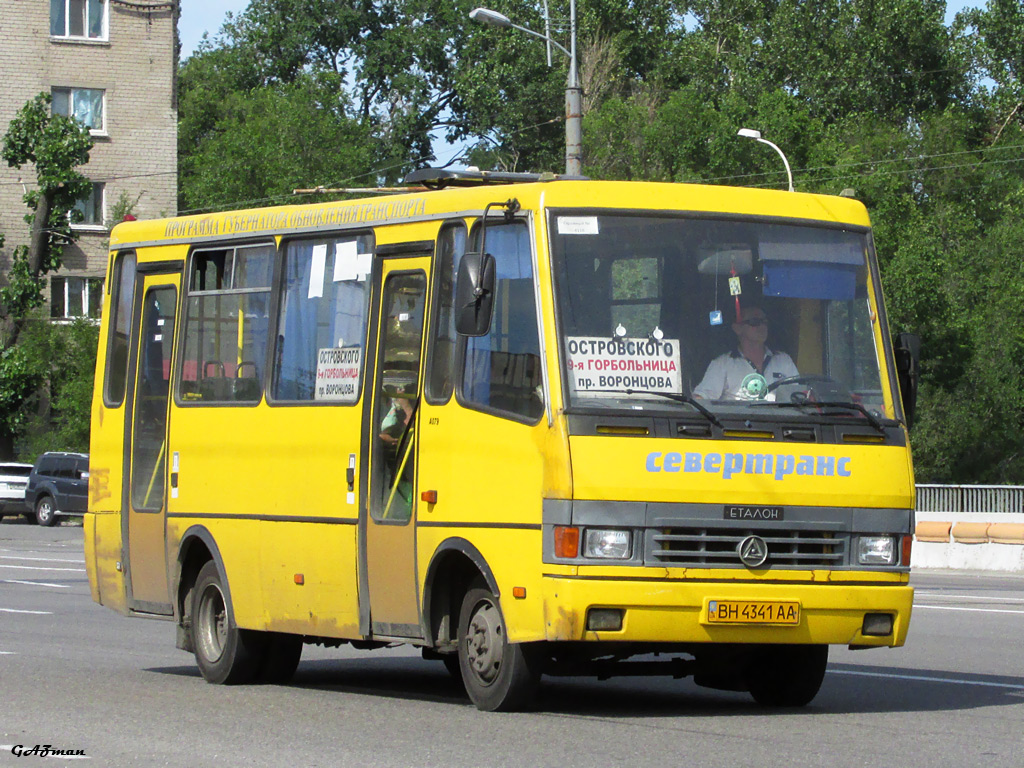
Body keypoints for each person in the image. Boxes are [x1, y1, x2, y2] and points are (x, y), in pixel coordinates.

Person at [693, 305, 798, 400]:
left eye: (764, 322)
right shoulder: (722, 364)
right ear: (737, 328)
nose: (762, 326)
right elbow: (701, 399)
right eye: (755, 322)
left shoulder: (784, 361)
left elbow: (800, 396)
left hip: (779, 420)